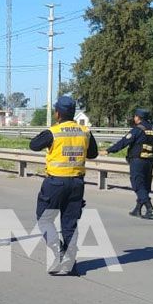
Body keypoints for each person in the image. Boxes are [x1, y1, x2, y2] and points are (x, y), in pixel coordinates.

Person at [29, 96, 99, 276]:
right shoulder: (85, 131)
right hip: (77, 183)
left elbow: (34, 145)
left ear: (58, 113)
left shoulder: (54, 131)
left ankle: (59, 251)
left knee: (44, 219)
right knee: (70, 224)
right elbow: (94, 153)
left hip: (55, 183)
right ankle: (71, 263)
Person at [99, 109, 153, 219]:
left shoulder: (137, 130)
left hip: (137, 162)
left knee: (138, 185)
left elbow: (123, 142)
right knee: (145, 186)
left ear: (138, 118)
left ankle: (150, 208)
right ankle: (137, 209)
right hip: (149, 161)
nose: (134, 118)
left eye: (135, 116)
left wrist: (109, 150)